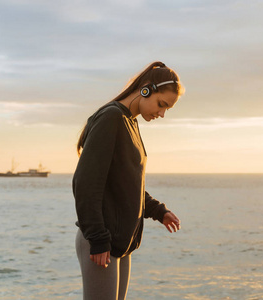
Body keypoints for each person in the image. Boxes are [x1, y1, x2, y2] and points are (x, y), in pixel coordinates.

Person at [72, 61, 184, 300]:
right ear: (145, 89)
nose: (162, 113)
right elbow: (85, 183)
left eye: (167, 109)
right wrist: (98, 239)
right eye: (161, 104)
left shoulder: (129, 122)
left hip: (120, 244)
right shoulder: (111, 117)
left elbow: (125, 183)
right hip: (101, 242)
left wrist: (157, 210)